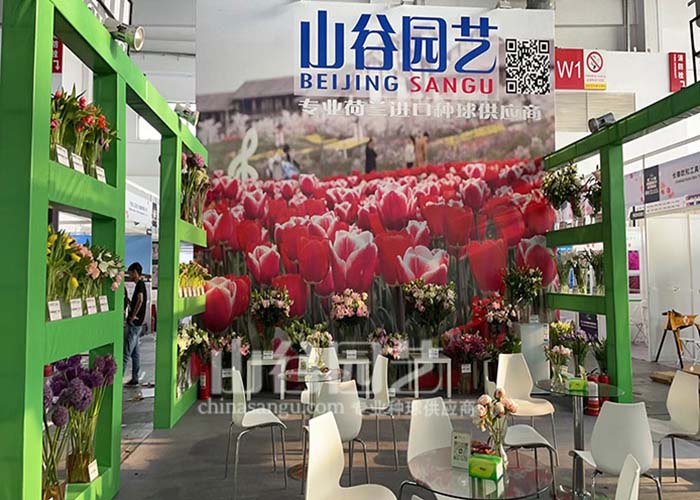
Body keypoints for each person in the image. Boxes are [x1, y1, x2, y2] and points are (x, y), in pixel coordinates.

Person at [124, 262, 147, 386]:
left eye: (130, 273)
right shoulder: (140, 284)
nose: (129, 276)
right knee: (135, 353)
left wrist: (133, 315)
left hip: (134, 323)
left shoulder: (140, 284)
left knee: (126, 353)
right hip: (137, 323)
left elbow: (140, 299)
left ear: (135, 273)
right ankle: (135, 378)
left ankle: (117, 380)